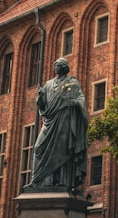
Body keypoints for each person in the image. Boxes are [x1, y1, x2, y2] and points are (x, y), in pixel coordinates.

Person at [28, 57, 88, 190]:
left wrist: (76, 103)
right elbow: (43, 105)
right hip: (50, 121)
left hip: (64, 120)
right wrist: (40, 99)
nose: (56, 67)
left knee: (62, 149)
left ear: (64, 67)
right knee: (39, 148)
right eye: (55, 65)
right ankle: (37, 180)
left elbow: (80, 98)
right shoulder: (48, 84)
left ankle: (61, 181)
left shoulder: (71, 82)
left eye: (58, 65)